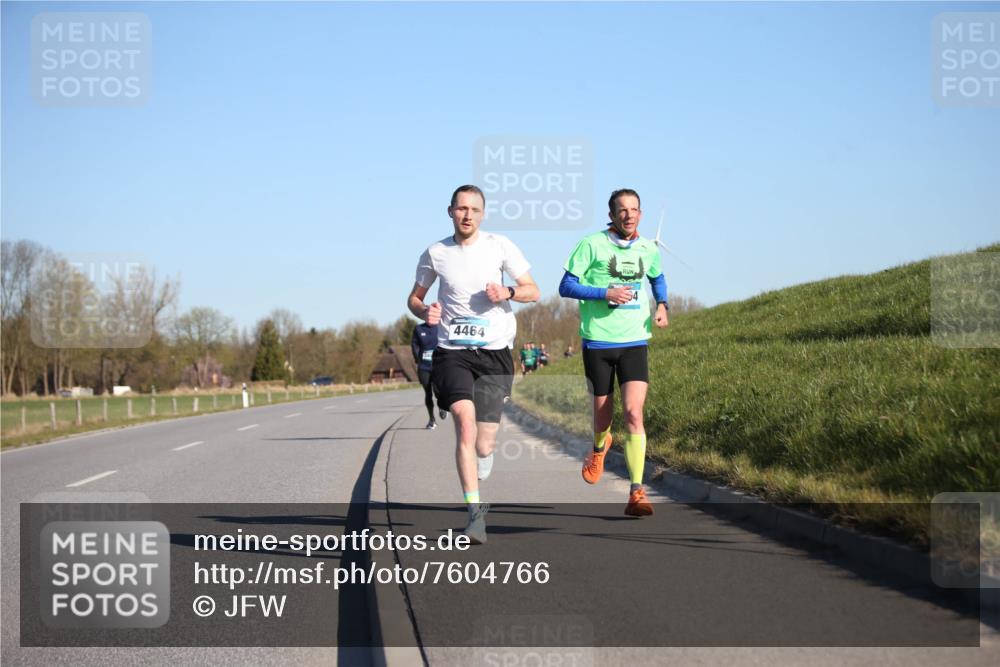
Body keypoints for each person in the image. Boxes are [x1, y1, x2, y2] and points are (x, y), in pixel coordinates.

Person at [408, 184, 539, 543]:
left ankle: (482, 456)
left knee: (484, 444)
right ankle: (474, 515)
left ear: (483, 214)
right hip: (453, 351)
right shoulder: (435, 253)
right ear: (450, 211)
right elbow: (414, 299)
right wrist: (425, 310)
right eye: (461, 208)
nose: (467, 215)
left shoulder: (500, 246)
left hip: (495, 353)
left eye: (474, 210)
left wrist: (508, 292)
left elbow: (533, 289)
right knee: (465, 425)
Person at [557, 188, 669, 516]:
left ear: (641, 214)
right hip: (598, 341)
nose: (629, 215)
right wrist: (603, 291)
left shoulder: (648, 248)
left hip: (635, 340)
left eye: (634, 209)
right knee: (603, 414)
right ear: (611, 215)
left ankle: (636, 491)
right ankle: (598, 446)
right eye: (622, 210)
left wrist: (662, 304)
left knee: (634, 413)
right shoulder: (591, 245)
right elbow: (566, 286)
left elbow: (658, 277)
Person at [411, 321, 439, 429]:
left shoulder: (441, 326)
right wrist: (418, 359)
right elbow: (414, 345)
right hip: (424, 367)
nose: (430, 317)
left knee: (439, 391)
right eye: (427, 314)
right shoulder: (419, 329)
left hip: (438, 366)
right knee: (428, 393)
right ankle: (432, 419)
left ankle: (442, 407)